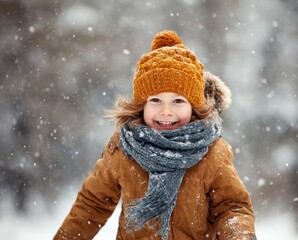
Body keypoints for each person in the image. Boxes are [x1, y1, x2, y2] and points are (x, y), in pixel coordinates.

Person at [54, 30, 257, 240]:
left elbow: (231, 207)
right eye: (155, 101)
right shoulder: (124, 149)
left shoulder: (211, 152)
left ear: (194, 107)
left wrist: (237, 234)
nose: (166, 111)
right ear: (141, 105)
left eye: (178, 101)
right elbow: (93, 203)